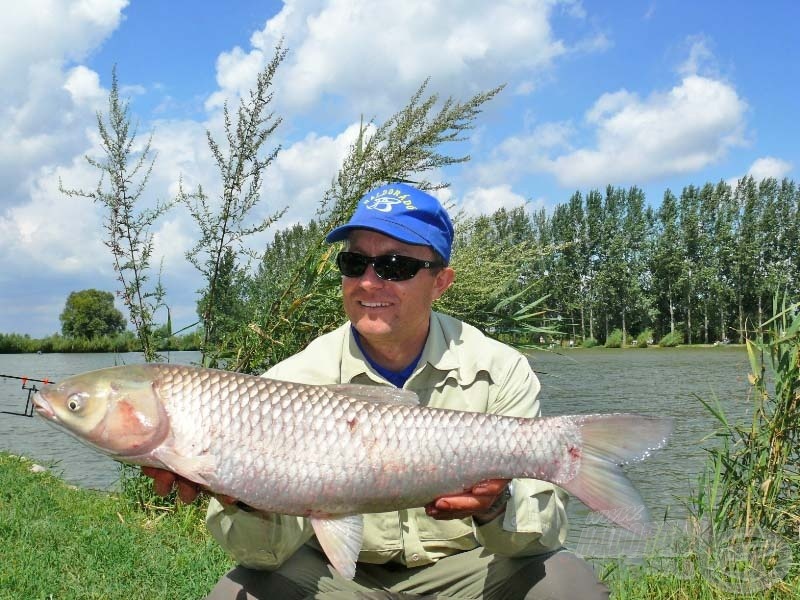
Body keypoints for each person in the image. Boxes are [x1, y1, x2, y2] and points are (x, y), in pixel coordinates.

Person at [144, 183, 609, 599]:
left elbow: (539, 538)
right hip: (338, 578)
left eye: (395, 265)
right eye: (354, 262)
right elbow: (262, 556)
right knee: (237, 594)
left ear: (440, 282)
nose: (369, 281)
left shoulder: (500, 369)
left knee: (568, 587)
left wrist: (495, 508)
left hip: (468, 571)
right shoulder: (291, 380)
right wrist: (244, 497)